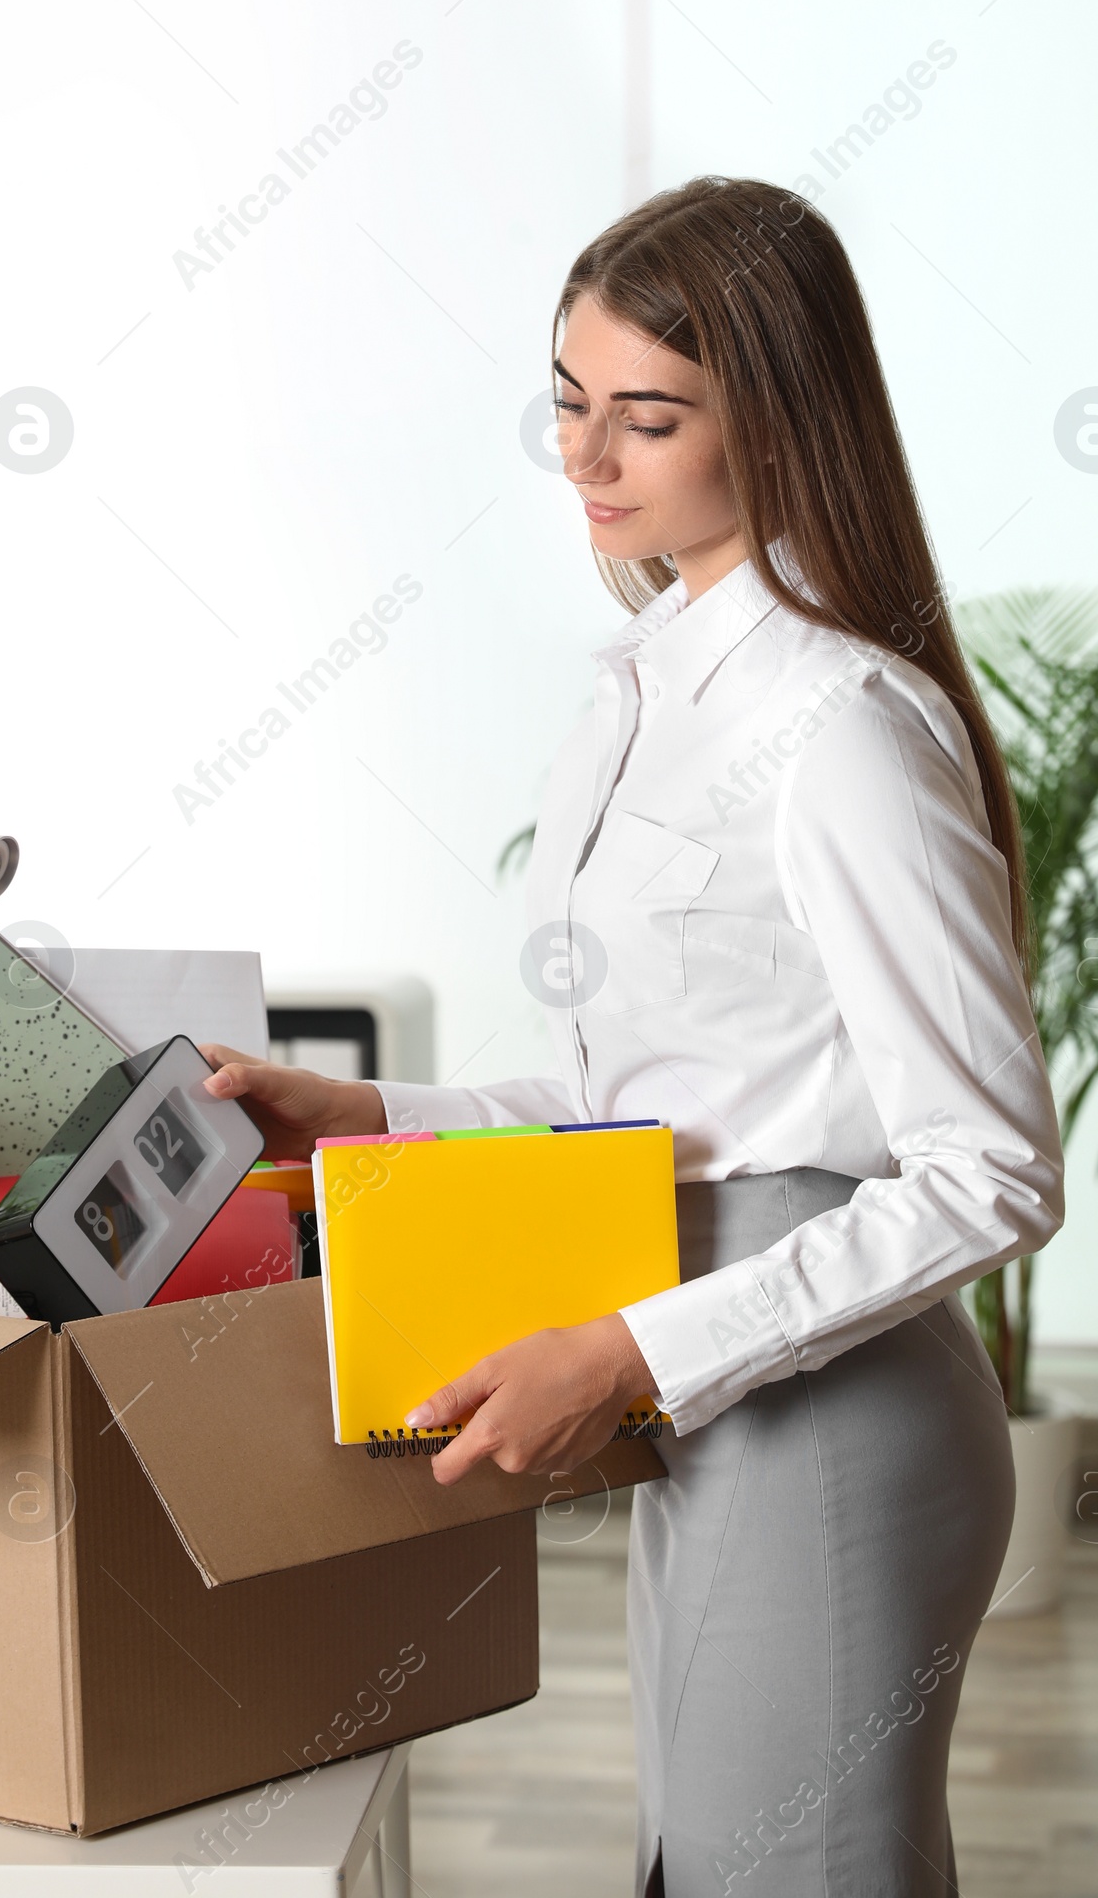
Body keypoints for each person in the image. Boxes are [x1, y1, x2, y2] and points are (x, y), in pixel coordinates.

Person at [203, 177, 1063, 1897]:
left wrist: (631, 1358)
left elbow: (989, 1175)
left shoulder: (842, 728)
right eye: (570, 406)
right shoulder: (643, 686)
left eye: (648, 418)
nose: (589, 462)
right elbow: (637, 1109)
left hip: (824, 1403)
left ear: (779, 415)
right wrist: (361, 1112)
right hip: (701, 1365)